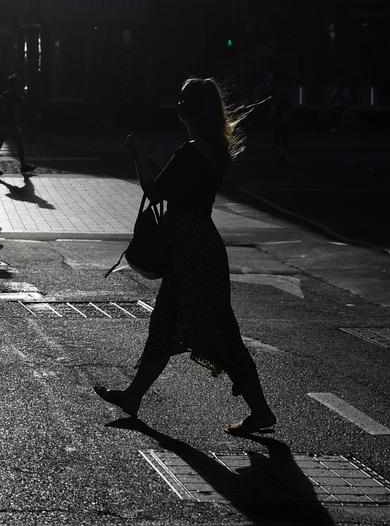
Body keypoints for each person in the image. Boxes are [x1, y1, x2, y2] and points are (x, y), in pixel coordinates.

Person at [94, 78, 277, 436]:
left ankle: (261, 410)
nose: (176, 106)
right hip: (204, 246)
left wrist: (138, 157)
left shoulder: (190, 152)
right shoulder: (215, 150)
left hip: (185, 250)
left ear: (190, 110)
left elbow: (156, 190)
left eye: (181, 101)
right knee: (201, 326)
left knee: (199, 330)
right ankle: (134, 396)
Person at [0, 74, 34, 177]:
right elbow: (19, 109)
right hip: (10, 124)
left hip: (4, 125)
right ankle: (22, 165)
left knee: (0, 145)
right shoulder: (14, 96)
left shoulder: (4, 95)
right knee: (17, 145)